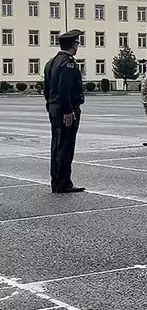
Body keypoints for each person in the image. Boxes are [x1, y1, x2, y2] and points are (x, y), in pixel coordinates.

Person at [43, 29, 86, 193]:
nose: (77, 46)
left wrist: (51, 104)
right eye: (77, 43)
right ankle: (63, 183)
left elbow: (46, 88)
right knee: (65, 147)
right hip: (66, 109)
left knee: (57, 145)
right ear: (74, 45)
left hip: (54, 107)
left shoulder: (51, 62)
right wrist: (68, 110)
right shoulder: (68, 63)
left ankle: (57, 181)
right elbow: (64, 88)